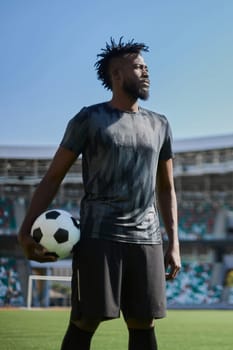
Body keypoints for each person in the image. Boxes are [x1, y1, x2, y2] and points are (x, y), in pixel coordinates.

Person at [18, 37, 181, 350]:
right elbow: (53, 177)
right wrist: (24, 232)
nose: (146, 73)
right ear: (117, 75)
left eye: (147, 67)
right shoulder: (89, 119)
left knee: (143, 324)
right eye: (138, 67)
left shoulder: (160, 124)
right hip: (98, 236)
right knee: (86, 321)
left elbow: (166, 187)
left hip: (147, 238)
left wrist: (173, 240)